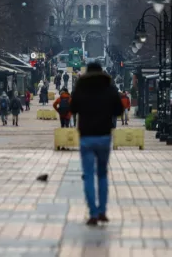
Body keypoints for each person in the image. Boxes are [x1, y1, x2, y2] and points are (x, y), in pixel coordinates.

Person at [70, 62, 124, 226]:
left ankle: (92, 212)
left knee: (88, 175)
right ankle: (102, 211)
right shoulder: (109, 87)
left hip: (86, 136)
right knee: (102, 174)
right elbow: (119, 110)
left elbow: (73, 108)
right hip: (104, 136)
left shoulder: (81, 87)